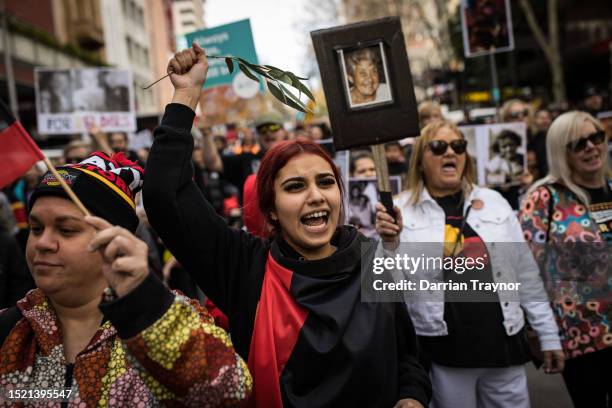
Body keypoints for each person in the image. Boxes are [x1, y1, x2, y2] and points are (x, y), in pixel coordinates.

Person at [144, 43, 431, 408]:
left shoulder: (372, 259)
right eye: (295, 187)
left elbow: (408, 356)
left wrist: (412, 397)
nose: (315, 196)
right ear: (272, 210)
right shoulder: (245, 268)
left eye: (325, 183)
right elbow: (164, 195)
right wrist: (186, 95)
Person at [0, 151, 251, 406]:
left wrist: (145, 308)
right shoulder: (11, 330)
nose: (42, 243)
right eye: (36, 228)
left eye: (66, 230)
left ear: (113, 239)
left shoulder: (169, 315)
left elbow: (230, 393)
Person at [375, 120, 563, 408]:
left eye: (458, 146)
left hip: (504, 349)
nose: (450, 152)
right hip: (445, 355)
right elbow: (385, 289)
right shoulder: (399, 212)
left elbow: (525, 272)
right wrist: (390, 243)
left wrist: (548, 335)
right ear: (420, 160)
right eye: (438, 147)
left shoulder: (494, 202)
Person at [519, 111, 612, 407]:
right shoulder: (545, 198)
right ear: (562, 152)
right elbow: (525, 269)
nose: (591, 147)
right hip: (582, 336)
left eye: (596, 137)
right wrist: (541, 332)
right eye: (578, 143)